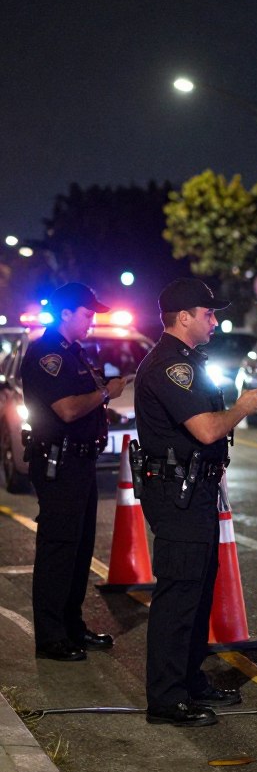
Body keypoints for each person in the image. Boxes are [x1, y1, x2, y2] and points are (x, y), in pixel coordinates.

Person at [134, 278, 257, 726]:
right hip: (178, 494)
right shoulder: (172, 367)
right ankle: (167, 698)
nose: (215, 319)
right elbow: (208, 429)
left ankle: (189, 681)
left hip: (194, 489)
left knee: (198, 588)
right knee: (179, 593)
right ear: (184, 316)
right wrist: (243, 407)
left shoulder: (188, 362)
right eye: (208, 313)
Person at [22, 283, 127, 661]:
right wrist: (105, 395)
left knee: (79, 549)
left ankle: (71, 626)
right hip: (58, 463)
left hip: (79, 461)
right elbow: (66, 409)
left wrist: (104, 410)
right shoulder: (48, 353)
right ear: (66, 313)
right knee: (59, 549)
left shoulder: (74, 352)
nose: (91, 319)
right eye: (86, 313)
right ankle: (51, 637)